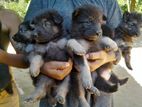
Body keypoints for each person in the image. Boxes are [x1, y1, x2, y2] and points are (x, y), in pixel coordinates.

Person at [0, 0, 121, 107]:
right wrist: (42, 65)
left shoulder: (108, 2)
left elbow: (120, 42)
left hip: (99, 98)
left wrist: (107, 56)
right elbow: (27, 41)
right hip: (55, 93)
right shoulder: (41, 2)